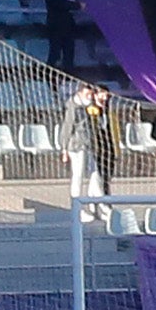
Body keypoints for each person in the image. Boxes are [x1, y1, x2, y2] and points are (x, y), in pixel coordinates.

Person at [38, 0, 84, 70]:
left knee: (69, 51)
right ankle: (50, 78)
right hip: (56, 21)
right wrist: (77, 6)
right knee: (55, 52)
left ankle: (69, 77)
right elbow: (57, 1)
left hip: (67, 20)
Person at [58, 84, 96, 214]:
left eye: (91, 94)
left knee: (94, 174)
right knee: (78, 176)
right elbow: (67, 127)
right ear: (80, 93)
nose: (90, 97)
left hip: (87, 144)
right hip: (76, 146)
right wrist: (64, 149)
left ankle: (95, 204)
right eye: (87, 94)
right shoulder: (73, 108)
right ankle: (77, 206)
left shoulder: (87, 107)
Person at [87, 86, 119, 201]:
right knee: (98, 175)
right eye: (102, 94)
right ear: (95, 95)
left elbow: (114, 130)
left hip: (109, 146)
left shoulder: (109, 112)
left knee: (108, 175)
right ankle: (102, 200)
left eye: (106, 95)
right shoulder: (90, 110)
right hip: (97, 147)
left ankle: (102, 197)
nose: (104, 98)